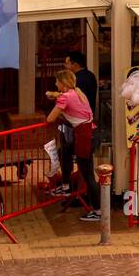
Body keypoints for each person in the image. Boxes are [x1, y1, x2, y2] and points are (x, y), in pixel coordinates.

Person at [46, 69, 101, 222]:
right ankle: (65, 185)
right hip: (92, 132)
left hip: (84, 136)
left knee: (88, 175)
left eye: (57, 81)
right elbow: (73, 111)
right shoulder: (78, 93)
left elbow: (50, 119)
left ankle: (98, 210)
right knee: (65, 151)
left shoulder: (64, 97)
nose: (55, 84)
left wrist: (59, 110)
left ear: (62, 83)